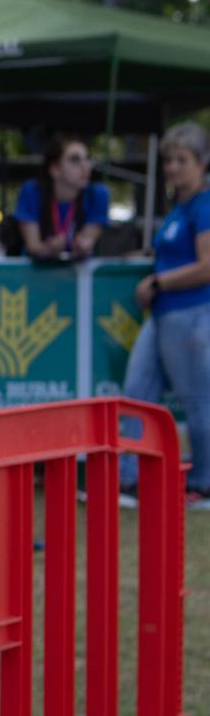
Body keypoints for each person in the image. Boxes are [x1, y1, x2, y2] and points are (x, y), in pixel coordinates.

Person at [120, 121, 210, 510]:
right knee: (137, 393)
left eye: (182, 160)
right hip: (162, 317)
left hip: (190, 315)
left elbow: (208, 265)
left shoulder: (204, 205)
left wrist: (157, 282)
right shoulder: (180, 207)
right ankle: (128, 480)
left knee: (198, 400)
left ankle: (205, 485)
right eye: (168, 160)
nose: (173, 167)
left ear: (203, 163)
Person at [15, 135, 108, 260]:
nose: (85, 166)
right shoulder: (31, 191)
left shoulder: (98, 194)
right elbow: (33, 247)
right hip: (36, 273)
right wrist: (47, 249)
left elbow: (86, 242)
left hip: (77, 273)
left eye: (87, 159)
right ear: (55, 169)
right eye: (75, 159)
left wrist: (82, 247)